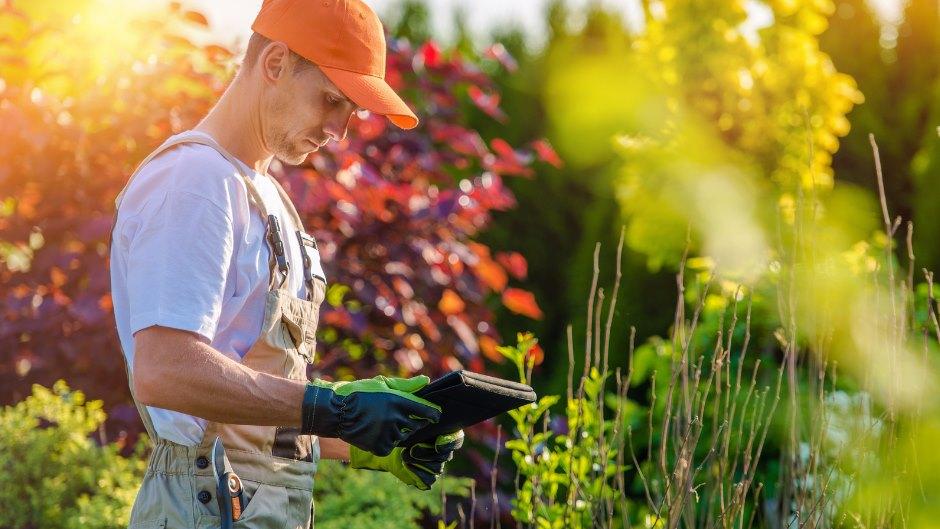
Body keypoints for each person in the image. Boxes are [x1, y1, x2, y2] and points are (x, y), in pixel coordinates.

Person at [109, 1, 464, 527]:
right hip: (202, 508)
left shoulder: (270, 199)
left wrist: (364, 437)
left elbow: (255, 421)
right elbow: (164, 371)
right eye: (330, 100)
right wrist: (332, 407)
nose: (338, 130)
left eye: (351, 113)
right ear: (274, 63)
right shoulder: (196, 182)